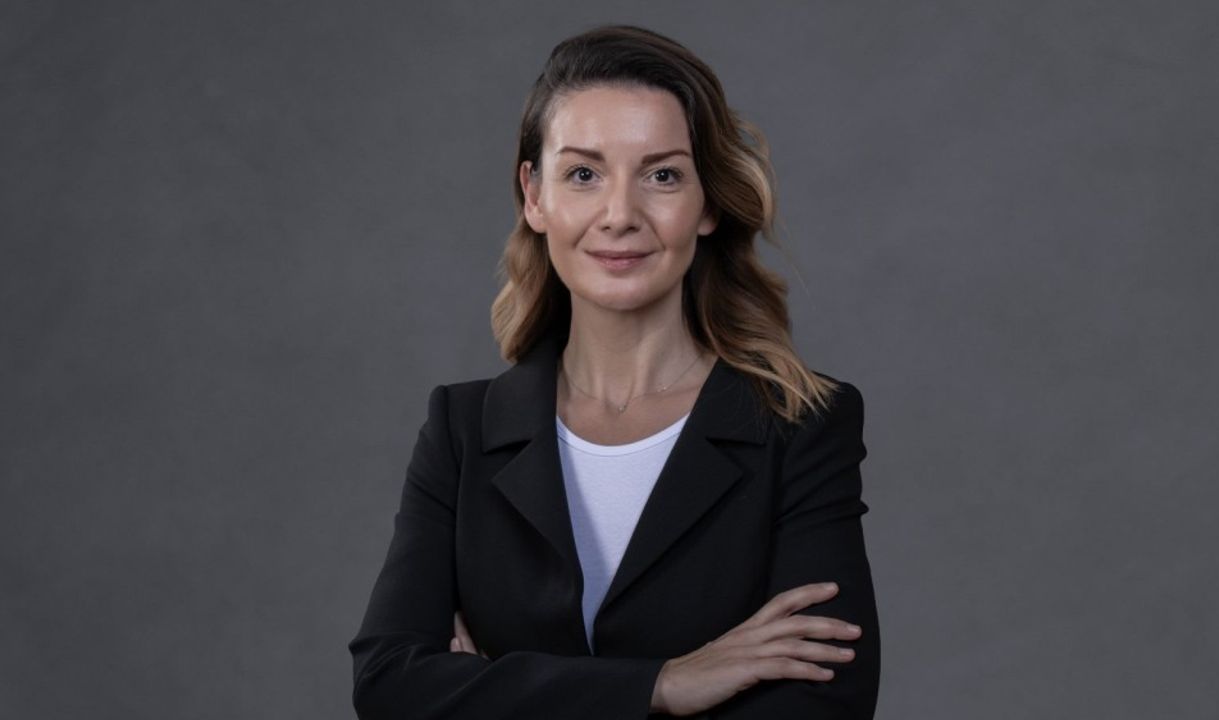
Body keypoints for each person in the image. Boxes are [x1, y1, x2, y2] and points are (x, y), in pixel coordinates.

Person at [349, 24, 880, 719]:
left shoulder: (799, 426)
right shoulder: (462, 430)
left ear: (708, 202)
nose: (620, 215)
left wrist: (494, 693)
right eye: (584, 174)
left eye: (663, 175)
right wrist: (664, 685)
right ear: (534, 196)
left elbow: (822, 707)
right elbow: (389, 686)